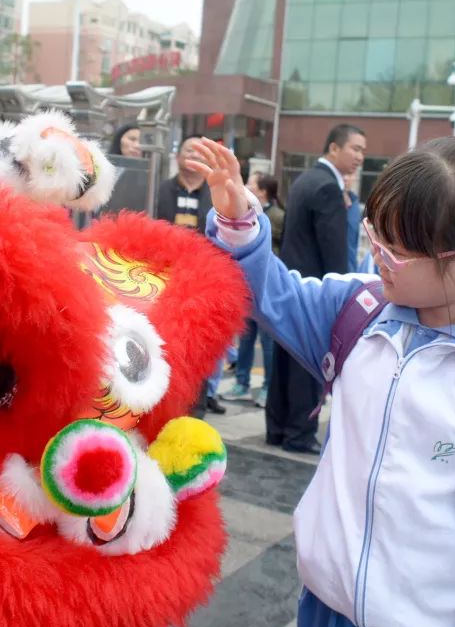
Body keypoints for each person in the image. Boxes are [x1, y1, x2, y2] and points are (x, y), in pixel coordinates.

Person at [190, 135, 455, 627]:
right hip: (327, 616)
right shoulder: (360, 311)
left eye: (397, 250)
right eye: (374, 232)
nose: (377, 256)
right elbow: (272, 295)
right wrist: (237, 218)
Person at [263, 124, 365, 454]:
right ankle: (299, 434)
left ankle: (277, 429)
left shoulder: (306, 180)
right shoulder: (327, 188)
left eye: (363, 151)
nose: (360, 157)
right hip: (316, 289)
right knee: (309, 364)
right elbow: (334, 253)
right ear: (334, 149)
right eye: (355, 149)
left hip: (292, 282)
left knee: (283, 361)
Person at [154, 134, 224, 415]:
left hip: (202, 283)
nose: (192, 157)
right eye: (187, 151)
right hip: (161, 281)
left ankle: (195, 409)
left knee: (199, 349)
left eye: (199, 153)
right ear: (178, 157)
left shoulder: (216, 195)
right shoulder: (160, 191)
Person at [221, 173, 284, 408]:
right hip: (245, 285)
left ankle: (268, 387)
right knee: (246, 337)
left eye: (252, 184)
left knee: (268, 342)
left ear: (263, 192)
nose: (246, 187)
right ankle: (242, 383)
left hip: (267, 286)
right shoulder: (243, 212)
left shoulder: (277, 216)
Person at [343, 171, 363, 274]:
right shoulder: (329, 203)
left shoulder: (355, 204)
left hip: (351, 269)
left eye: (349, 174)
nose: (345, 178)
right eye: (343, 174)